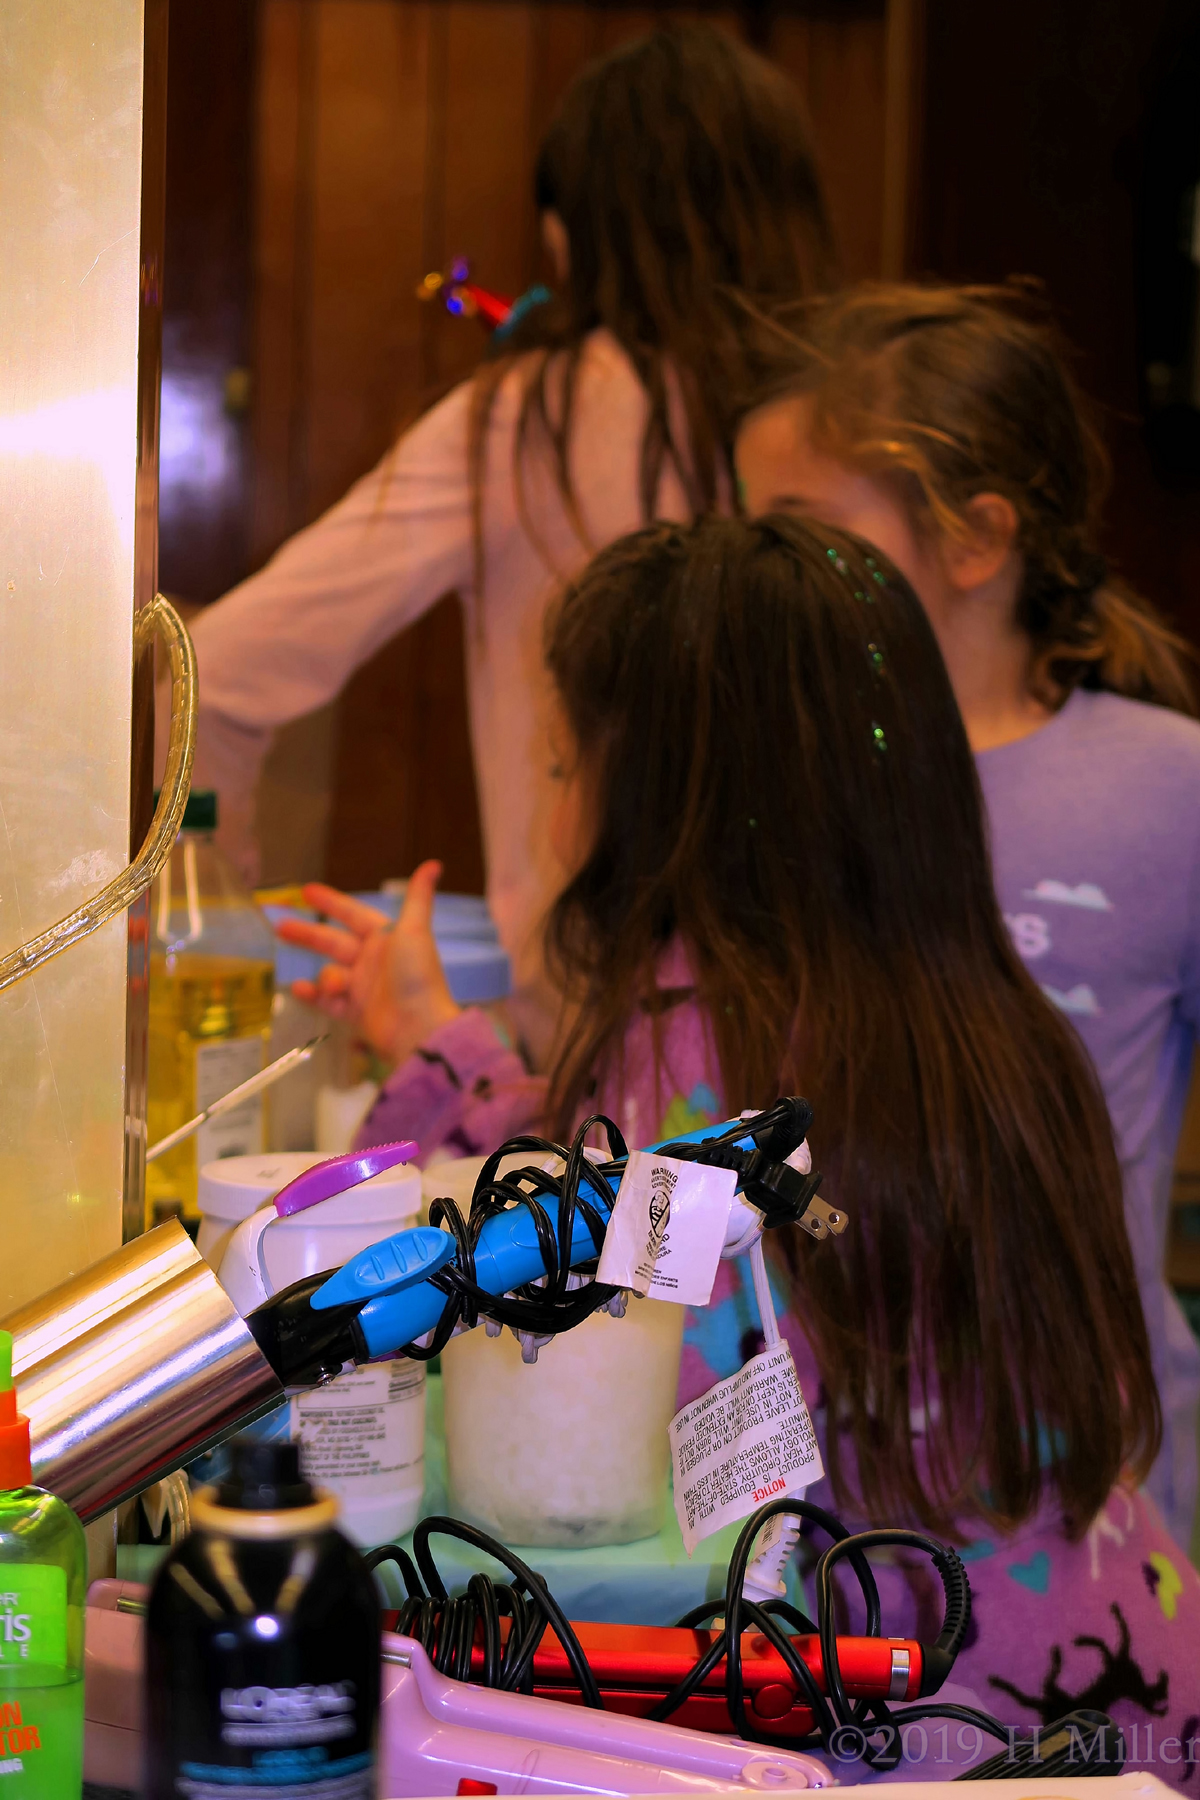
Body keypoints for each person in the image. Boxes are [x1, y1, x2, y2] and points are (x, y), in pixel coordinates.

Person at [278, 515, 1199, 1776]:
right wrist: (447, 1052)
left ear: (653, 804)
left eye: (561, 770)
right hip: (1125, 1652)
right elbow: (635, 1205)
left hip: (918, 1724)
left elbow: (644, 1427)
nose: (553, 803)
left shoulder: (689, 1046)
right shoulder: (985, 1020)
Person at [171, 22, 832, 1058]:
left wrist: (210, 951)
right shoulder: (849, 420)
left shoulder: (539, 416)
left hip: (599, 1043)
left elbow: (217, 669)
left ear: (573, 235)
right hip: (838, 1028)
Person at [734, 281, 1200, 1556]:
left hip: (1091, 1504)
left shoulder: (1170, 788)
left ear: (973, 539)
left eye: (802, 532)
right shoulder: (768, 790)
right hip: (806, 1498)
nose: (755, 577)